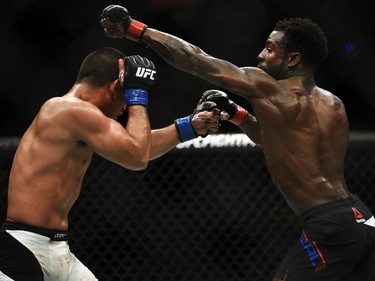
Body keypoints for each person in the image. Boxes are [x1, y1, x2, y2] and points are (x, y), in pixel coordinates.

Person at [99, 5, 375, 281]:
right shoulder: (333, 104)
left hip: (328, 225)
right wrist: (237, 114)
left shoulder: (267, 87)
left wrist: (136, 30)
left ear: (292, 59)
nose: (260, 55)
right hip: (360, 217)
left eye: (269, 48)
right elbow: (280, 144)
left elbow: (196, 59)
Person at [0, 47, 220, 280]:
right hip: (23, 244)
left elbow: (136, 149)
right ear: (115, 87)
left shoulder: (84, 121)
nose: (126, 107)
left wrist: (189, 127)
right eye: (125, 98)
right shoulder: (66, 109)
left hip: (58, 248)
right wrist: (137, 93)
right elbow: (137, 157)